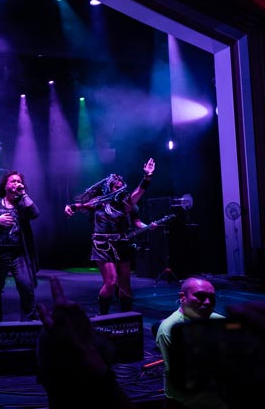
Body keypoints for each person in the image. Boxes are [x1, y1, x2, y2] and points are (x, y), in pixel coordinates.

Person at [64, 158, 156, 315]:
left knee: (125, 284)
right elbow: (82, 205)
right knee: (111, 282)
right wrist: (71, 207)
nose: (120, 189)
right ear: (109, 188)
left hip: (122, 243)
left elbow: (138, 194)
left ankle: (127, 317)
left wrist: (147, 177)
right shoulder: (99, 202)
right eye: (116, 187)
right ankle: (103, 316)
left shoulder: (127, 203)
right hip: (102, 245)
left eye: (121, 187)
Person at [36, 276, 134, 409]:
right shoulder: (99, 371)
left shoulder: (50, 375)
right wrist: (100, 372)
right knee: (111, 281)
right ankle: (103, 313)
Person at [155, 277, 227, 409]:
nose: (208, 302)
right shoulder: (169, 329)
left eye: (211, 297)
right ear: (183, 297)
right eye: (200, 296)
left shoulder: (219, 321)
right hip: (188, 404)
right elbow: (183, 375)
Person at [0, 171, 40, 322]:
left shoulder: (23, 204)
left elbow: (35, 213)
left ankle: (28, 322)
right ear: (5, 186)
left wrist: (24, 194)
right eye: (13, 181)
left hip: (19, 255)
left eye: (19, 181)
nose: (17, 183)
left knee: (26, 286)